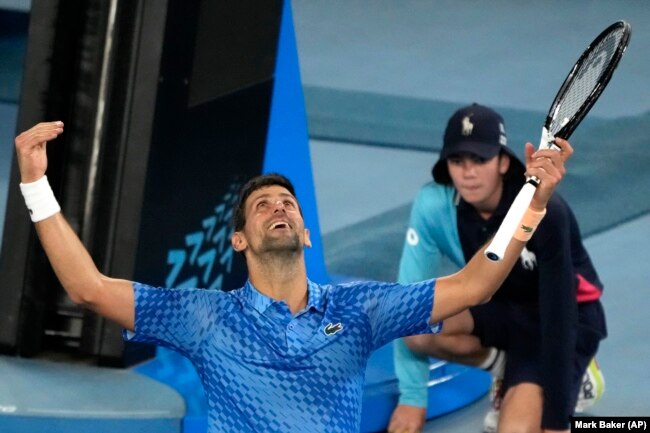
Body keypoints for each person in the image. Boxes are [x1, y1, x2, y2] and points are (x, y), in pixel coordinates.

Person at [15, 120, 572, 433]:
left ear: (305, 232)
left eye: (287, 202)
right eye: (262, 206)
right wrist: (36, 186)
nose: (278, 207)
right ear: (240, 241)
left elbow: (475, 284)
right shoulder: (203, 317)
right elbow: (88, 287)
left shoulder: (358, 310)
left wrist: (532, 198)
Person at [387, 104, 606, 433]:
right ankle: (507, 371)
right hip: (503, 311)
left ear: (503, 162)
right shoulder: (434, 204)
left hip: (564, 320)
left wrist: (557, 421)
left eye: (480, 159)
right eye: (458, 161)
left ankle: (577, 378)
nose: (468, 172)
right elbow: (405, 303)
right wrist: (412, 398)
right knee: (416, 325)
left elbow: (560, 321)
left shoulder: (547, 211)